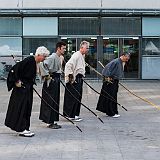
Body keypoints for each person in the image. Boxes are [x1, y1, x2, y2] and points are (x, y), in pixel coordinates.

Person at [5, 46, 50, 137]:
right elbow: (15, 69)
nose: (45, 58)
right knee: (22, 108)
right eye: (44, 56)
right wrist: (16, 81)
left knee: (27, 108)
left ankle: (25, 128)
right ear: (39, 55)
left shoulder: (35, 62)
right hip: (21, 90)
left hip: (27, 89)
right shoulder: (29, 60)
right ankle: (21, 128)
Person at [39, 41, 66, 129]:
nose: (65, 50)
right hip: (51, 82)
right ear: (58, 48)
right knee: (50, 101)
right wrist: (47, 75)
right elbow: (42, 64)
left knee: (55, 100)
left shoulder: (58, 57)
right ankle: (49, 121)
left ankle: (52, 120)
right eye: (63, 48)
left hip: (56, 80)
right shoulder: (53, 56)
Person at [96, 52, 130, 118]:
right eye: (126, 58)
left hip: (114, 81)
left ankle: (113, 111)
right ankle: (111, 112)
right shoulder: (116, 62)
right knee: (110, 97)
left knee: (113, 97)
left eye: (128, 59)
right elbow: (105, 70)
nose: (127, 60)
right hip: (110, 82)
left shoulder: (120, 62)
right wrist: (108, 78)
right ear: (123, 56)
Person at [63, 40, 90, 122]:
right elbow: (68, 65)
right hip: (74, 79)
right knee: (72, 97)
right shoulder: (76, 55)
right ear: (81, 47)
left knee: (77, 97)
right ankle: (70, 115)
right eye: (87, 48)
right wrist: (70, 76)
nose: (87, 49)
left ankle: (74, 114)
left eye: (88, 48)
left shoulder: (82, 55)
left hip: (79, 78)